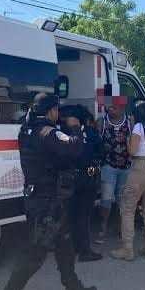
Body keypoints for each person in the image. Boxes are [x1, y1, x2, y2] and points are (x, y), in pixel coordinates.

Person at [0, 94, 97, 290]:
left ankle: (74, 289)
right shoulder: (47, 132)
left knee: (64, 243)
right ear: (51, 111)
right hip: (47, 201)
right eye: (56, 111)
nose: (58, 115)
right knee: (35, 253)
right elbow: (74, 148)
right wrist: (77, 129)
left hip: (39, 198)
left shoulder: (27, 129)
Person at [111, 101, 145, 261]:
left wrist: (128, 139)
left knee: (128, 208)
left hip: (140, 168)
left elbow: (133, 151)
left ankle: (127, 249)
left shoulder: (138, 128)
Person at [62, 106, 104, 262]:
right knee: (83, 216)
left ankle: (73, 248)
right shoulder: (92, 133)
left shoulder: (63, 133)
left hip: (70, 179)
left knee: (71, 215)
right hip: (86, 180)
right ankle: (84, 251)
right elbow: (100, 156)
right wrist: (91, 173)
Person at [96, 102, 132, 244]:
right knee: (106, 199)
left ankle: (120, 228)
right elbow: (97, 141)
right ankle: (102, 228)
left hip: (126, 167)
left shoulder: (130, 121)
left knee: (122, 200)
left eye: (113, 107)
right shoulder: (102, 122)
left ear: (122, 107)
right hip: (108, 166)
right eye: (108, 106)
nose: (110, 109)